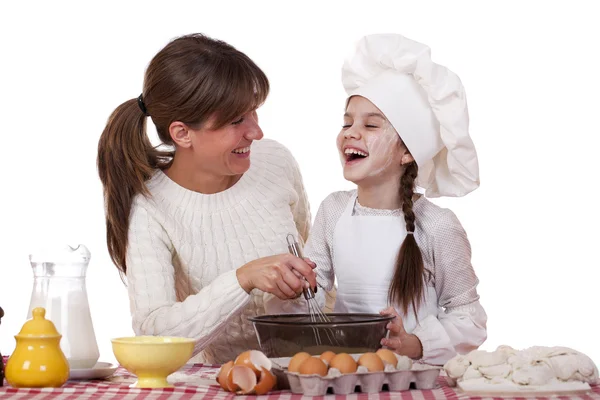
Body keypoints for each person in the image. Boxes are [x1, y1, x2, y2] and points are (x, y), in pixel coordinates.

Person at [96, 33, 317, 364]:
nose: (256, 132)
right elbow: (153, 335)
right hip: (219, 382)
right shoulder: (151, 210)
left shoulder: (276, 161)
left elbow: (308, 249)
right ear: (182, 133)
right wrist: (242, 279)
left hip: (311, 369)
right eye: (236, 120)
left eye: (254, 112)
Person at [305, 34, 487, 366]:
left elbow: (469, 316)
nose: (350, 132)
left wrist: (415, 343)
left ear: (407, 151)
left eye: (370, 125)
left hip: (413, 379)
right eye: (347, 122)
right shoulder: (332, 210)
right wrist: (293, 288)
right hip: (343, 376)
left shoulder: (437, 226)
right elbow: (311, 298)